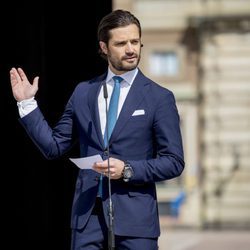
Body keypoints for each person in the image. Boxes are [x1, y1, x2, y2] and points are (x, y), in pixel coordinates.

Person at [9, 9, 184, 250]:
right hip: (87, 219)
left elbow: (174, 161)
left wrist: (127, 169)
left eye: (135, 41)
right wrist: (26, 104)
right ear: (104, 47)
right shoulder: (84, 92)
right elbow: (54, 146)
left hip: (136, 222)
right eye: (121, 43)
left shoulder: (159, 98)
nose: (131, 49)